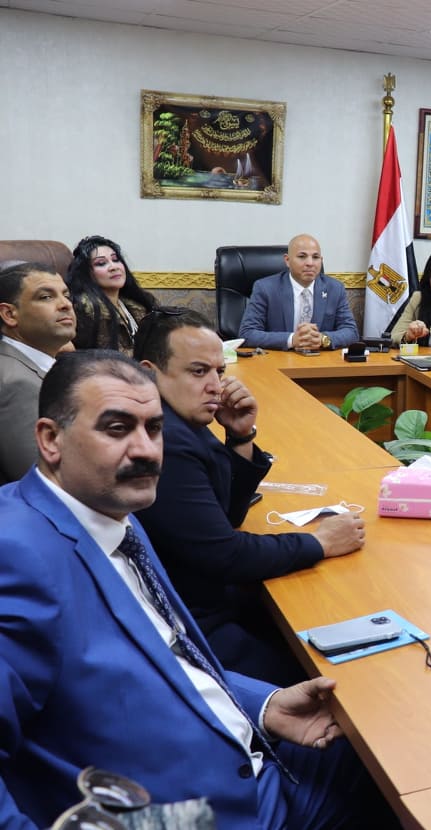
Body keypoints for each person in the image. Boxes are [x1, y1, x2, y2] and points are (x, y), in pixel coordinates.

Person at [0, 351, 392, 828]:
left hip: (251, 758)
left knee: (397, 746)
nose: (146, 450)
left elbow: (166, 657)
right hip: (192, 815)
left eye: (154, 428)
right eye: (117, 429)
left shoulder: (111, 512)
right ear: (50, 439)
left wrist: (264, 707)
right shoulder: (15, 554)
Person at [132, 308, 365, 685]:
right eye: (198, 371)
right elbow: (226, 554)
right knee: (339, 675)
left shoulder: (178, 419)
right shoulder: (165, 441)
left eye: (219, 371)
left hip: (210, 599)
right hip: (196, 628)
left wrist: (241, 436)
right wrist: (319, 542)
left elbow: (227, 516)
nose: (216, 386)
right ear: (149, 373)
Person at [0, 263, 76, 484]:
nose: (65, 304)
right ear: (9, 314)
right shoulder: (17, 383)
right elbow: (46, 482)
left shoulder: (38, 365)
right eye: (46, 297)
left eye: (66, 295)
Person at [238, 234, 359, 351]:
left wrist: (323, 339)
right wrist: (292, 340)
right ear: (287, 260)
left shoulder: (335, 288)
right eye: (302, 256)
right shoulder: (265, 288)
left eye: (315, 257)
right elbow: (247, 334)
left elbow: (351, 332)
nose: (310, 263)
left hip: (320, 360)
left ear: (321, 260)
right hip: (278, 360)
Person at [66, 235, 156, 355]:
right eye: (101, 263)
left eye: (115, 259)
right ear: (86, 273)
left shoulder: (137, 305)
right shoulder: (85, 309)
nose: (113, 267)